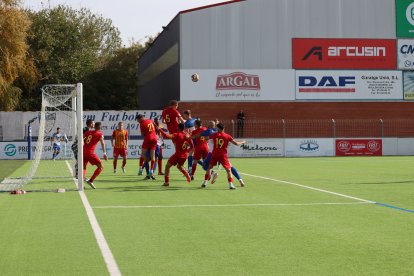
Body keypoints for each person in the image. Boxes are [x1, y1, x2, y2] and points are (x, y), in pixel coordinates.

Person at [202, 123, 246, 190]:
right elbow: (236, 143)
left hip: (214, 154)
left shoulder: (214, 135)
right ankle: (231, 184)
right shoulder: (227, 136)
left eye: (217, 128)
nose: (216, 129)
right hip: (223, 155)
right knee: (228, 170)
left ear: (219, 128)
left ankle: (205, 182)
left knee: (209, 168)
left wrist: (205, 137)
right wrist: (242, 142)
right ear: (223, 128)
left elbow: (206, 138)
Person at [83, 122, 108, 189]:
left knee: (84, 167)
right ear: (100, 127)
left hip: (83, 151)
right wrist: (104, 153)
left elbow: (82, 139)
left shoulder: (88, 132)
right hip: (90, 153)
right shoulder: (100, 134)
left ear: (94, 126)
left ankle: (81, 183)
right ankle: (91, 181)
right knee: (101, 167)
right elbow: (102, 143)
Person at [136, 114, 157, 179]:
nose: (137, 121)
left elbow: (143, 134)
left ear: (141, 118)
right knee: (153, 156)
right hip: (154, 138)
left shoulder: (142, 124)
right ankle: (151, 170)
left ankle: (140, 169)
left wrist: (145, 136)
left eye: (138, 119)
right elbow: (156, 127)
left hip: (148, 138)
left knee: (143, 154)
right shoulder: (150, 120)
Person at [183, 110, 197, 174]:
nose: (184, 117)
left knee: (191, 155)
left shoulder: (187, 123)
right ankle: (189, 170)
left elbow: (186, 133)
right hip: (200, 139)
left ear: (186, 115)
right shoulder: (195, 119)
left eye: (184, 115)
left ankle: (189, 170)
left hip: (193, 140)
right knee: (192, 155)